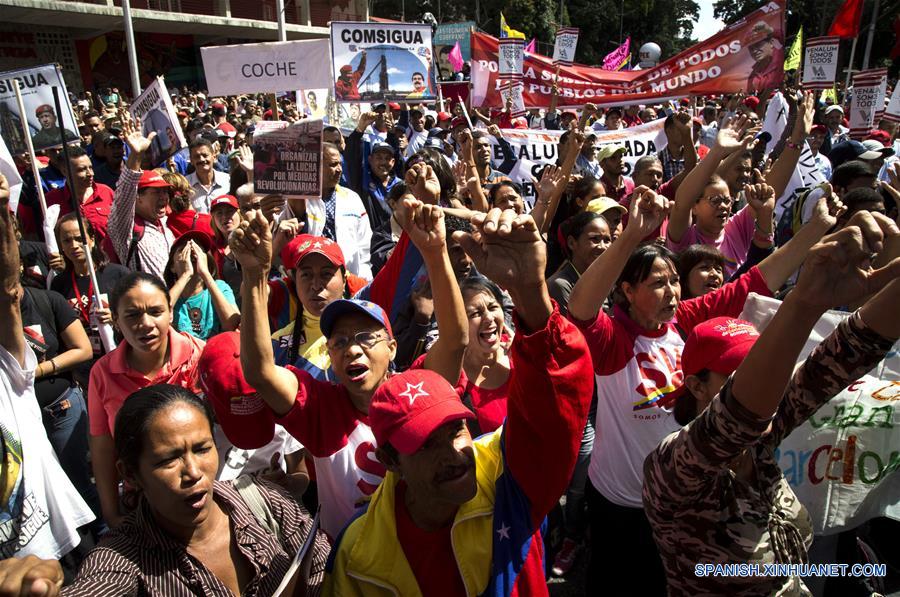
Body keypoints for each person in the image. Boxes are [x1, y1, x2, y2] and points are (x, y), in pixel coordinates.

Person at [566, 185, 841, 594]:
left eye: (675, 281)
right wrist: (628, 237)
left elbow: (755, 283)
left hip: (685, 503)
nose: (673, 292)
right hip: (622, 506)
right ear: (627, 291)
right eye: (658, 283)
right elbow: (580, 310)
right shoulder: (615, 341)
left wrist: (814, 229)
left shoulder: (684, 323)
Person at [324, 207, 595, 596]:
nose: (454, 453)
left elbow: (559, 403)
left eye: (456, 429)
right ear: (390, 462)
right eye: (425, 444)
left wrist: (531, 294)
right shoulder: (357, 556)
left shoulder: (505, 479)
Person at [644, 212, 900, 596]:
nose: (767, 383)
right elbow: (738, 418)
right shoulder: (675, 470)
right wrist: (803, 304)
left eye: (764, 366)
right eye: (736, 373)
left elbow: (849, 351)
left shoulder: (762, 442)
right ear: (696, 387)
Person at [231, 193, 467, 538]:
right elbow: (260, 373)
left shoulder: (419, 390)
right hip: (353, 574)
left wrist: (436, 254)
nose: (352, 349)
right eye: (340, 342)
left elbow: (455, 341)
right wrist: (254, 275)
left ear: (392, 347)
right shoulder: (322, 410)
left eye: (365, 338)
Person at [0, 384, 332, 595]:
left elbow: (324, 567)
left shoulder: (267, 502)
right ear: (131, 473)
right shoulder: (121, 560)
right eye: (168, 460)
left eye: (202, 449)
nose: (193, 472)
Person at [0, 173, 96, 564]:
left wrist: (34, 373)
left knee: (78, 478)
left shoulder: (45, 301)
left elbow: (83, 349)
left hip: (62, 411)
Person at [88, 271, 205, 528]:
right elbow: (103, 448)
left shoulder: (200, 355)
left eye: (155, 311)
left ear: (171, 312)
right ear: (116, 320)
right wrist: (111, 513)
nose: (146, 323)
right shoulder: (102, 373)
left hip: (203, 494)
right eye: (132, 315)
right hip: (141, 505)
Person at [50, 213, 129, 383]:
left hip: (121, 359)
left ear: (92, 239)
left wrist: (117, 317)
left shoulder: (117, 274)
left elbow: (137, 311)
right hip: (84, 369)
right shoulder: (59, 283)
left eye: (79, 239)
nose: (74, 246)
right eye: (67, 241)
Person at [107, 121, 175, 278]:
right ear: (137, 197)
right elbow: (124, 193)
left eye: (165, 191)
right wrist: (136, 156)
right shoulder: (125, 228)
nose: (164, 197)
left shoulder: (165, 224)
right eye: (156, 192)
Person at [163, 231, 240, 340]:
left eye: (198, 249)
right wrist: (186, 274)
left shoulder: (220, 287)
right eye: (183, 250)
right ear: (172, 267)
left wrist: (205, 274)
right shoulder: (167, 296)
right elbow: (159, 313)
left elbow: (232, 325)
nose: (192, 253)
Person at [44, 145, 114, 247]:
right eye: (82, 169)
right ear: (64, 171)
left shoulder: (106, 192)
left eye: (90, 167)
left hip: (110, 260)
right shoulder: (51, 201)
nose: (90, 173)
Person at [186, 138, 230, 213]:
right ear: (191, 160)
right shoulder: (185, 185)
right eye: (197, 156)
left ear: (214, 157)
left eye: (205, 155)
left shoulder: (227, 180)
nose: (202, 159)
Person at [744, 21, 784, 92]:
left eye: (757, 45)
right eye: (751, 48)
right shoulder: (752, 76)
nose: (754, 51)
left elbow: (783, 34)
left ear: (771, 43)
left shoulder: (781, 56)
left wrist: (770, 30)